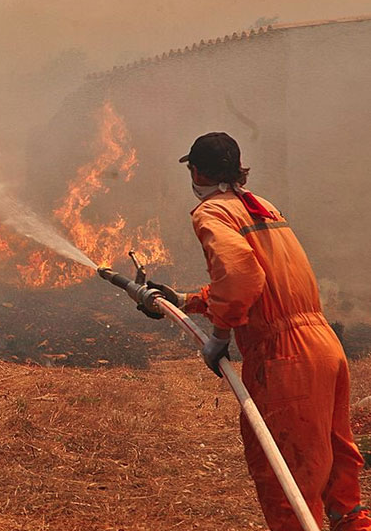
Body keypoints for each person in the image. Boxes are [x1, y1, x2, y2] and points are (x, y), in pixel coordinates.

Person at [158, 132, 371, 531]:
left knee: (287, 480)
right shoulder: (262, 207)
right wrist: (190, 300)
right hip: (324, 348)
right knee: (340, 478)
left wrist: (220, 336)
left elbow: (240, 278)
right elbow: (268, 281)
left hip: (286, 360)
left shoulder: (212, 212)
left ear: (197, 171)